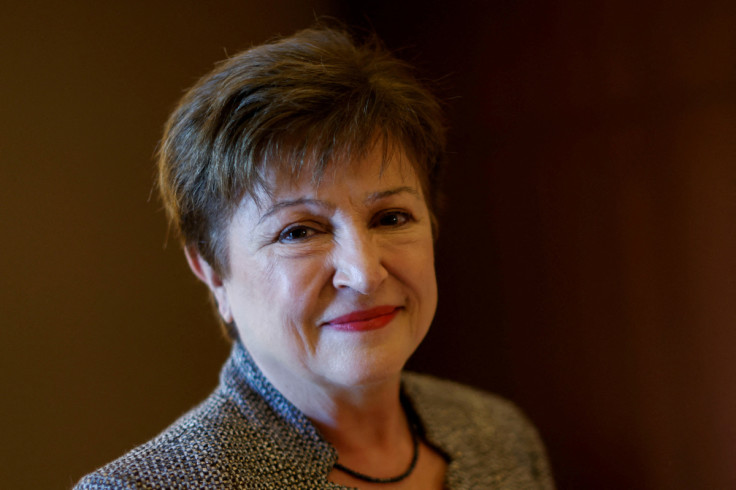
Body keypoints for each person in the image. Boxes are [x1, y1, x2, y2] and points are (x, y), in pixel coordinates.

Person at [75, 24, 554, 489]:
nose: (364, 273)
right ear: (212, 271)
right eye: (299, 231)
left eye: (391, 218)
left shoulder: (500, 436)